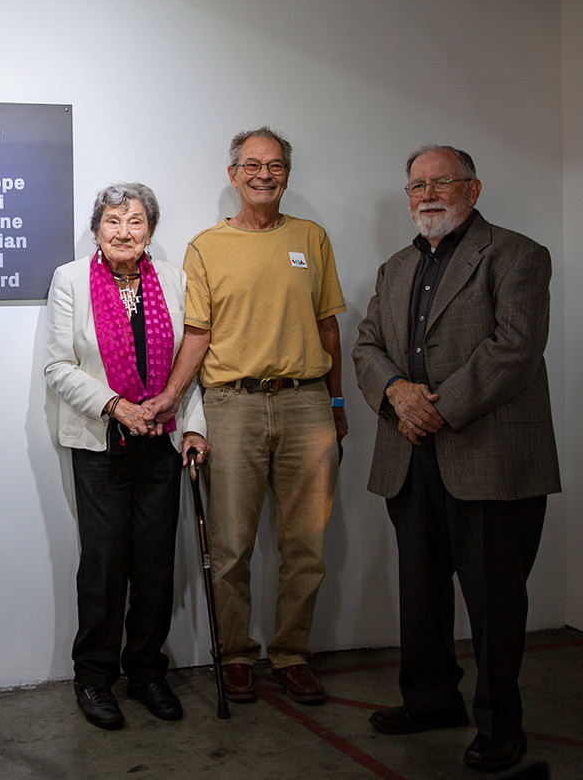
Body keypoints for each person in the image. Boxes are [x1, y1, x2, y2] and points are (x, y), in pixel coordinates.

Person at [353, 145, 559, 774]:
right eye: (417, 184)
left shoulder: (517, 254)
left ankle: (500, 724)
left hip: (490, 457)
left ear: (473, 188)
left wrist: (438, 407)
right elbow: (366, 346)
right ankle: (430, 701)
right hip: (410, 456)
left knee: (495, 601)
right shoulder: (393, 268)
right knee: (420, 592)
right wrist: (395, 393)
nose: (428, 193)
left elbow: (515, 348)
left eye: (442, 181)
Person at [143, 126, 348, 706]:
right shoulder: (206, 246)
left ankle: (291, 653)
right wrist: (173, 402)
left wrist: (337, 403)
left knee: (305, 543)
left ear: (287, 173)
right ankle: (234, 654)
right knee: (231, 547)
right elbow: (198, 335)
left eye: (276, 164)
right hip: (231, 406)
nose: (265, 173)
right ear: (233, 175)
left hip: (308, 402)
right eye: (252, 164)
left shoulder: (312, 237)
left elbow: (329, 325)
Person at [44, 183, 206, 730]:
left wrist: (193, 428)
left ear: (150, 232)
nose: (124, 231)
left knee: (157, 561)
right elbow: (59, 367)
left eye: (135, 222)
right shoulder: (70, 280)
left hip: (161, 439)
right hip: (101, 439)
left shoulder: (176, 282)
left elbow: (191, 367)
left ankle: (146, 671)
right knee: (105, 562)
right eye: (113, 221)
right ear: (96, 230)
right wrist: (117, 406)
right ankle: (93, 676)